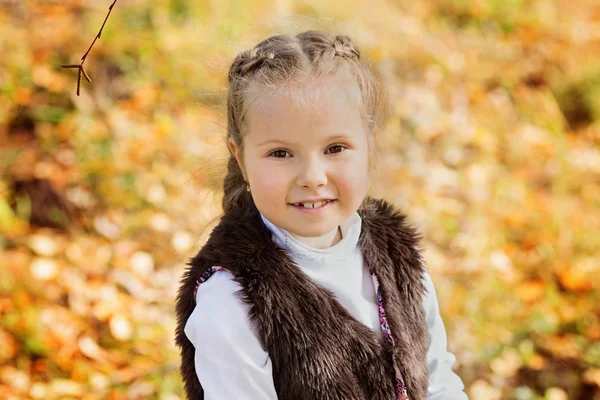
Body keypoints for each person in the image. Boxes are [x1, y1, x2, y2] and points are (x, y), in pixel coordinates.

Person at [175, 30, 469, 400]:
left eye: (335, 148)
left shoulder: (398, 256)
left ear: (369, 145)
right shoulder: (232, 301)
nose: (312, 177)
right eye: (281, 153)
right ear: (241, 157)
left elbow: (438, 380)